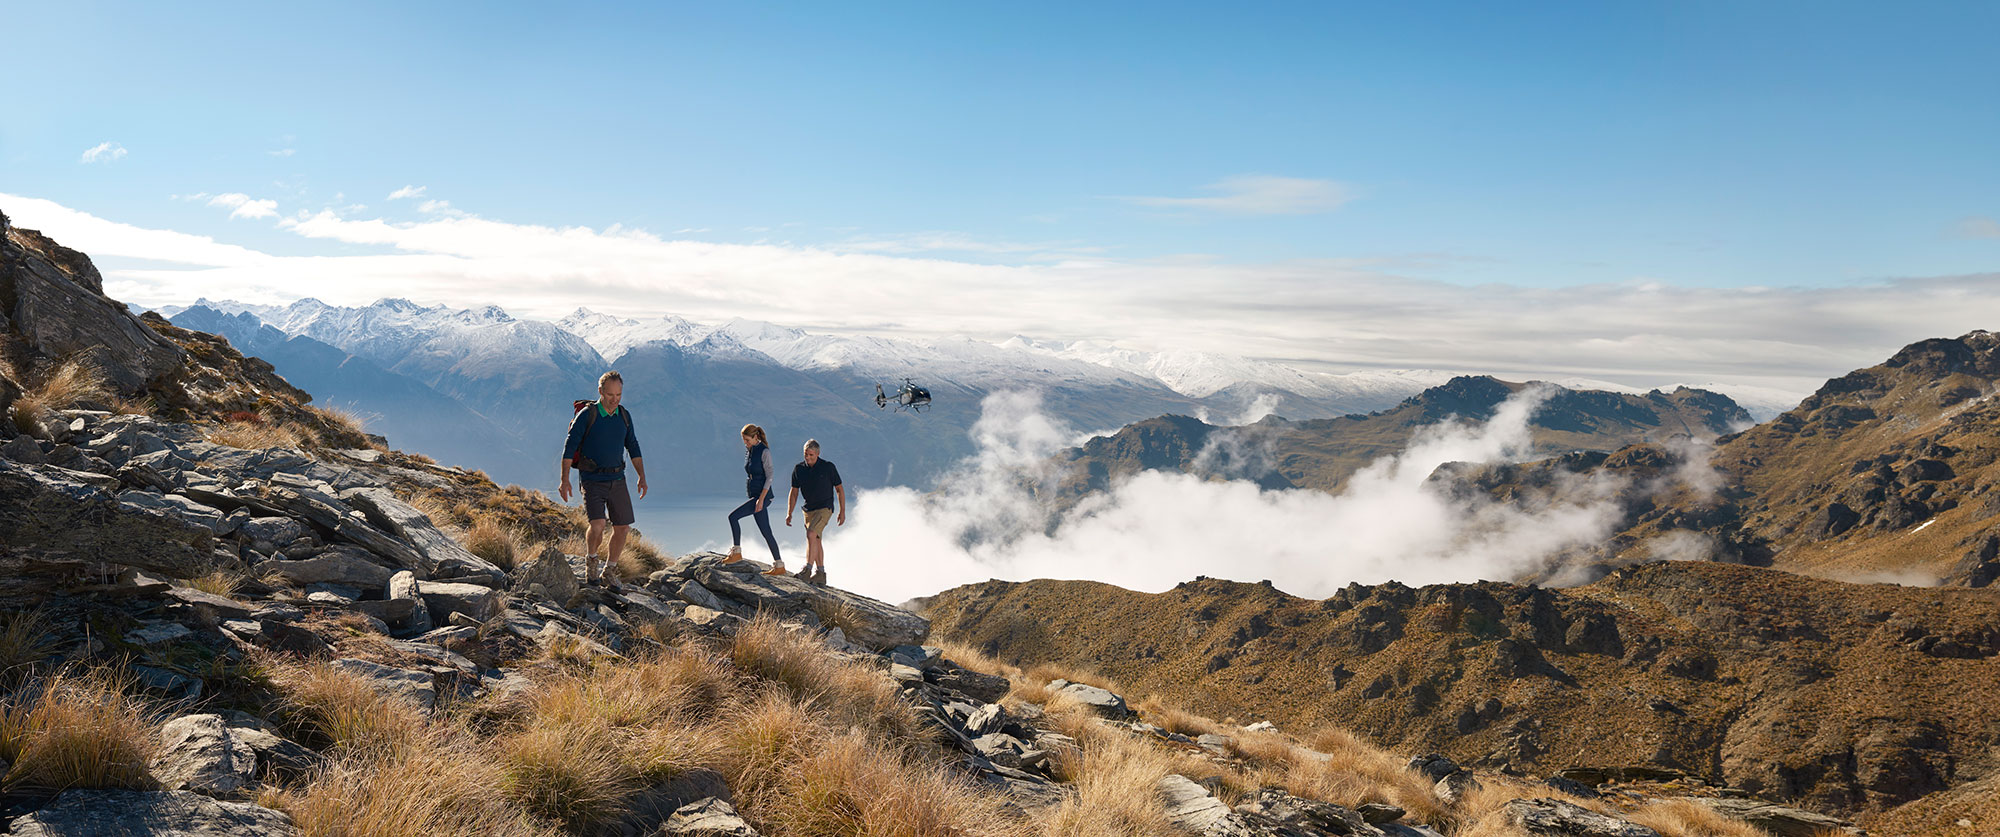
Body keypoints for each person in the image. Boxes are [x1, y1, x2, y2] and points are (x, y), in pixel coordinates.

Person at [558, 371, 647, 586]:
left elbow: (633, 446)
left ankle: (610, 570)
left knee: (623, 528)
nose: (614, 399)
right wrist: (565, 479)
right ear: (600, 391)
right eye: (610, 395)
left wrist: (642, 477)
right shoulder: (587, 415)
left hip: (617, 478)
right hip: (591, 479)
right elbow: (569, 447)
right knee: (597, 525)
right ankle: (591, 561)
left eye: (618, 395)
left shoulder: (624, 416)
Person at [725, 423, 787, 575]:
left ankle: (737, 552)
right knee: (766, 532)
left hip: (763, 496)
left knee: (733, 517)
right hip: (755, 495)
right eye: (743, 440)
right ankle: (779, 566)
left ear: (755, 437)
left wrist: (761, 499)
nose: (745, 443)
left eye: (747, 440)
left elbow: (770, 476)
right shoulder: (750, 450)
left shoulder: (764, 451)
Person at [785, 439, 844, 586]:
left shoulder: (828, 467)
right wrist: (789, 513)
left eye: (811, 454)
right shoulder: (799, 469)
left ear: (818, 453)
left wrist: (842, 511)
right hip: (808, 510)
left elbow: (839, 489)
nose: (808, 458)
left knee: (811, 534)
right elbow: (793, 493)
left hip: (825, 508)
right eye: (806, 454)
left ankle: (807, 570)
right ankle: (821, 574)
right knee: (815, 539)